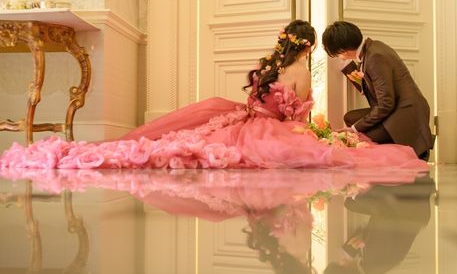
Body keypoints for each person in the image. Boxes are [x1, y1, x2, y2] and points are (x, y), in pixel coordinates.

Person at [0, 20, 429, 171]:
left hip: (244, 117)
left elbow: (263, 102)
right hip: (272, 129)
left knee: (188, 134)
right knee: (315, 151)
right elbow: (292, 119)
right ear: (309, 47)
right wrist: (312, 131)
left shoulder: (271, 65)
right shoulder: (302, 71)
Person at [322, 21, 434, 160]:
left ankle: (414, 150)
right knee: (350, 118)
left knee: (358, 137)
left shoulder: (375, 57)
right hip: (395, 108)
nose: (339, 57)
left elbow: (386, 104)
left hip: (404, 113)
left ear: (342, 50)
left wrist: (354, 129)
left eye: (337, 54)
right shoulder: (374, 47)